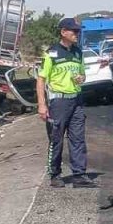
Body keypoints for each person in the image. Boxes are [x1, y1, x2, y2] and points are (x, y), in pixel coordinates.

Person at [37, 17, 96, 188]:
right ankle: (55, 174)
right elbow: (41, 80)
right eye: (74, 31)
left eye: (78, 31)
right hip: (59, 102)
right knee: (56, 139)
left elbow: (82, 76)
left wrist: (81, 78)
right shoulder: (51, 53)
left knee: (77, 139)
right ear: (63, 32)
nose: (77, 34)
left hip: (76, 100)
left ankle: (79, 174)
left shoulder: (78, 52)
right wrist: (42, 105)